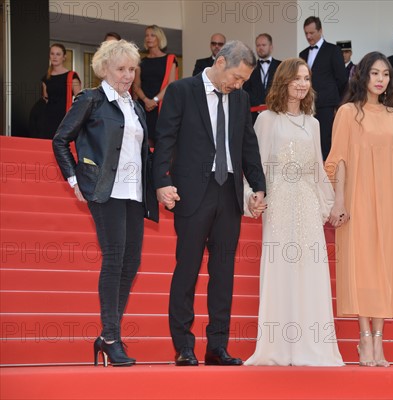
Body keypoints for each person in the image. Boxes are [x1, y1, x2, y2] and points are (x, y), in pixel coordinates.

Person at [153, 40, 267, 367]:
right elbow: (166, 139)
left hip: (228, 193)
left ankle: (217, 345)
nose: (238, 84)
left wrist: (259, 186)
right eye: (236, 77)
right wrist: (162, 180)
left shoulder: (241, 99)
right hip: (192, 192)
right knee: (187, 269)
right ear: (219, 62)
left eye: (244, 80)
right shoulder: (181, 91)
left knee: (223, 274)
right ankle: (183, 345)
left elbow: (248, 145)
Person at [52, 39, 158, 367]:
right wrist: (74, 181)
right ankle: (112, 338)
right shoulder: (91, 99)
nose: (128, 75)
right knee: (114, 259)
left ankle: (105, 335)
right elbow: (61, 139)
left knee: (132, 263)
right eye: (121, 69)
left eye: (131, 69)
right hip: (105, 190)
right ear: (104, 70)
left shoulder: (134, 106)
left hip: (134, 192)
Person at [326, 52, 393, 367]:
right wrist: (339, 200)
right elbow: (339, 160)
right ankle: (363, 338)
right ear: (362, 76)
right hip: (358, 199)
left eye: (386, 74)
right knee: (363, 268)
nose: (381, 79)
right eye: (375, 73)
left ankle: (379, 342)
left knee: (385, 269)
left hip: (390, 201)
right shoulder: (347, 113)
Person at [244, 58, 344, 366]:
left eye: (307, 78)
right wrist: (251, 196)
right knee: (280, 271)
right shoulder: (266, 120)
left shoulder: (313, 123)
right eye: (297, 78)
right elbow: (255, 165)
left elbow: (316, 168)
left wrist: (330, 205)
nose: (302, 84)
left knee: (309, 271)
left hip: (308, 202)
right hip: (279, 201)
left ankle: (311, 346)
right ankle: (277, 347)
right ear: (283, 80)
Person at [299, 16, 347, 160]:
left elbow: (342, 79)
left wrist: (334, 102)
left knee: (325, 141)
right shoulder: (303, 54)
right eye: (306, 33)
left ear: (320, 30)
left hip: (327, 105)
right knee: (308, 140)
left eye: (312, 33)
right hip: (306, 105)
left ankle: (328, 177)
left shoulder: (333, 50)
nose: (308, 36)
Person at [133, 25, 178, 143]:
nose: (149, 38)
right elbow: (136, 85)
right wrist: (146, 100)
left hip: (161, 107)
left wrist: (155, 100)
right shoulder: (141, 62)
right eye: (147, 35)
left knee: (162, 143)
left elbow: (171, 84)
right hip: (144, 107)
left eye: (152, 35)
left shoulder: (170, 59)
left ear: (159, 38)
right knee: (144, 143)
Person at [41, 43, 81, 139]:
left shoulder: (72, 77)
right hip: (47, 120)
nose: (54, 57)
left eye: (58, 54)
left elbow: (80, 101)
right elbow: (45, 99)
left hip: (65, 119)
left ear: (64, 57)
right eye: (52, 54)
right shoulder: (46, 78)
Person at [242, 33, 281, 123]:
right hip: (255, 115)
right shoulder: (249, 67)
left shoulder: (280, 66)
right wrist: (259, 105)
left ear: (271, 47)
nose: (260, 48)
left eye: (263, 45)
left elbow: (283, 88)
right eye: (258, 45)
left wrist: (270, 105)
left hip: (275, 113)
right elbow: (246, 89)